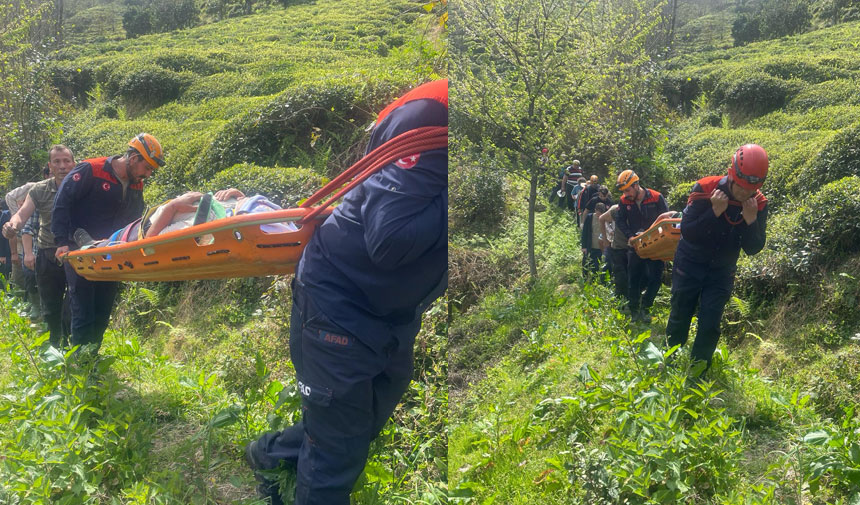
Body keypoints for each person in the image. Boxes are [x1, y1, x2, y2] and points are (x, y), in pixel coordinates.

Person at [244, 79, 447, 505]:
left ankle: (269, 455)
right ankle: (288, 472)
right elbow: (389, 241)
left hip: (391, 313)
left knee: (359, 421)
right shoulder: (432, 116)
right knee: (339, 450)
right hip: (340, 300)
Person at [52, 133, 164, 352]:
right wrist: (61, 241)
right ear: (133, 159)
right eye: (147, 168)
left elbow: (133, 220)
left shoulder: (135, 184)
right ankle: (80, 367)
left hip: (112, 253)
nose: (148, 174)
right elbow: (62, 202)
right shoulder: (91, 170)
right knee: (83, 308)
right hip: (80, 250)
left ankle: (92, 358)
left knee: (102, 309)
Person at [666, 144, 769, 370]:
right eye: (740, 187)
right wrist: (713, 212)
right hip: (690, 264)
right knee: (680, 314)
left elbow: (754, 248)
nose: (743, 193)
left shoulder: (757, 203)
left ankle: (698, 370)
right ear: (731, 173)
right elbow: (688, 231)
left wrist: (751, 220)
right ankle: (669, 362)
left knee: (711, 323)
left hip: (721, 272)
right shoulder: (705, 188)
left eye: (749, 190)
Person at [3, 145, 76, 347]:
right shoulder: (39, 190)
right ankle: (54, 345)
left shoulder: (83, 188)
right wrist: (12, 226)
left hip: (77, 256)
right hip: (48, 254)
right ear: (50, 166)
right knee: (50, 306)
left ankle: (72, 344)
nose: (62, 166)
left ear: (74, 163)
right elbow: (23, 215)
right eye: (57, 162)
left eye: (66, 161)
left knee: (74, 305)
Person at [615, 169, 668, 323]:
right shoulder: (624, 201)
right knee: (634, 278)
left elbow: (667, 216)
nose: (626, 194)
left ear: (636, 185)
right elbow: (619, 220)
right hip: (636, 245)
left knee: (655, 278)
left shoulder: (656, 197)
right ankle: (634, 311)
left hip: (655, 244)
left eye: (628, 190)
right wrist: (629, 235)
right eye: (623, 191)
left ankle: (646, 307)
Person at [5, 181, 40, 315]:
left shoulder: (41, 204)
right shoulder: (17, 212)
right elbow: (10, 196)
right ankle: (26, 305)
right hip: (22, 248)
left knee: (35, 278)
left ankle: (37, 307)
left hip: (39, 246)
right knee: (22, 278)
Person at [581, 202, 607, 280]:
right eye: (598, 213)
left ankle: (594, 282)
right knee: (585, 264)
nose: (599, 216)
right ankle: (585, 280)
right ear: (595, 210)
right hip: (589, 245)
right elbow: (585, 232)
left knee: (596, 266)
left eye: (601, 214)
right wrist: (584, 246)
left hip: (600, 247)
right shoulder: (590, 217)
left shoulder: (606, 218)